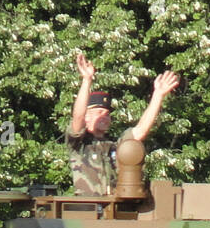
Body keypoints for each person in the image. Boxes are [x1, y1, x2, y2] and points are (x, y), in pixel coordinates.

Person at [67, 53, 180, 195]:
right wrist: (87, 80)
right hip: (87, 208)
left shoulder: (116, 145)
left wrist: (158, 95)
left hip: (115, 209)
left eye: (107, 114)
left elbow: (140, 130)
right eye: (99, 112)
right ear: (87, 117)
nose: (105, 116)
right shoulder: (79, 144)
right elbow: (77, 116)